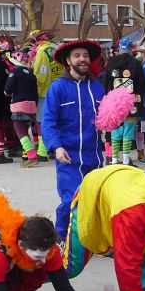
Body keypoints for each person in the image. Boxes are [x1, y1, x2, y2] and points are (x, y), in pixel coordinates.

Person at [42, 39, 106, 241]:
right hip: (68, 157)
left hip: (94, 155)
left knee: (95, 200)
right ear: (68, 61)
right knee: (71, 200)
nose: (82, 59)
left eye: (85, 55)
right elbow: (48, 122)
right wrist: (57, 147)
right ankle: (61, 239)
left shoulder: (97, 87)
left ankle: (94, 241)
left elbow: (106, 119)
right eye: (77, 56)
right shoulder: (57, 87)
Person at [102, 36, 145, 166]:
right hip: (131, 102)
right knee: (129, 130)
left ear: (119, 48)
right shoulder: (136, 63)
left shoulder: (111, 63)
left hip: (114, 102)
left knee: (115, 130)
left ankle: (115, 160)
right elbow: (142, 83)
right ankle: (127, 160)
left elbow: (105, 82)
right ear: (130, 48)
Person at [5, 46, 41, 166]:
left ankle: (31, 156)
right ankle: (27, 156)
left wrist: (7, 92)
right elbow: (35, 93)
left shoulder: (14, 72)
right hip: (31, 106)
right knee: (27, 130)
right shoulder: (31, 75)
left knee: (21, 132)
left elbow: (8, 89)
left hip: (19, 105)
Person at [29, 29, 58, 162]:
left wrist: (37, 89)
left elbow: (41, 73)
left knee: (42, 120)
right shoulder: (55, 48)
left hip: (46, 91)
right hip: (60, 88)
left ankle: (43, 150)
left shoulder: (41, 52)